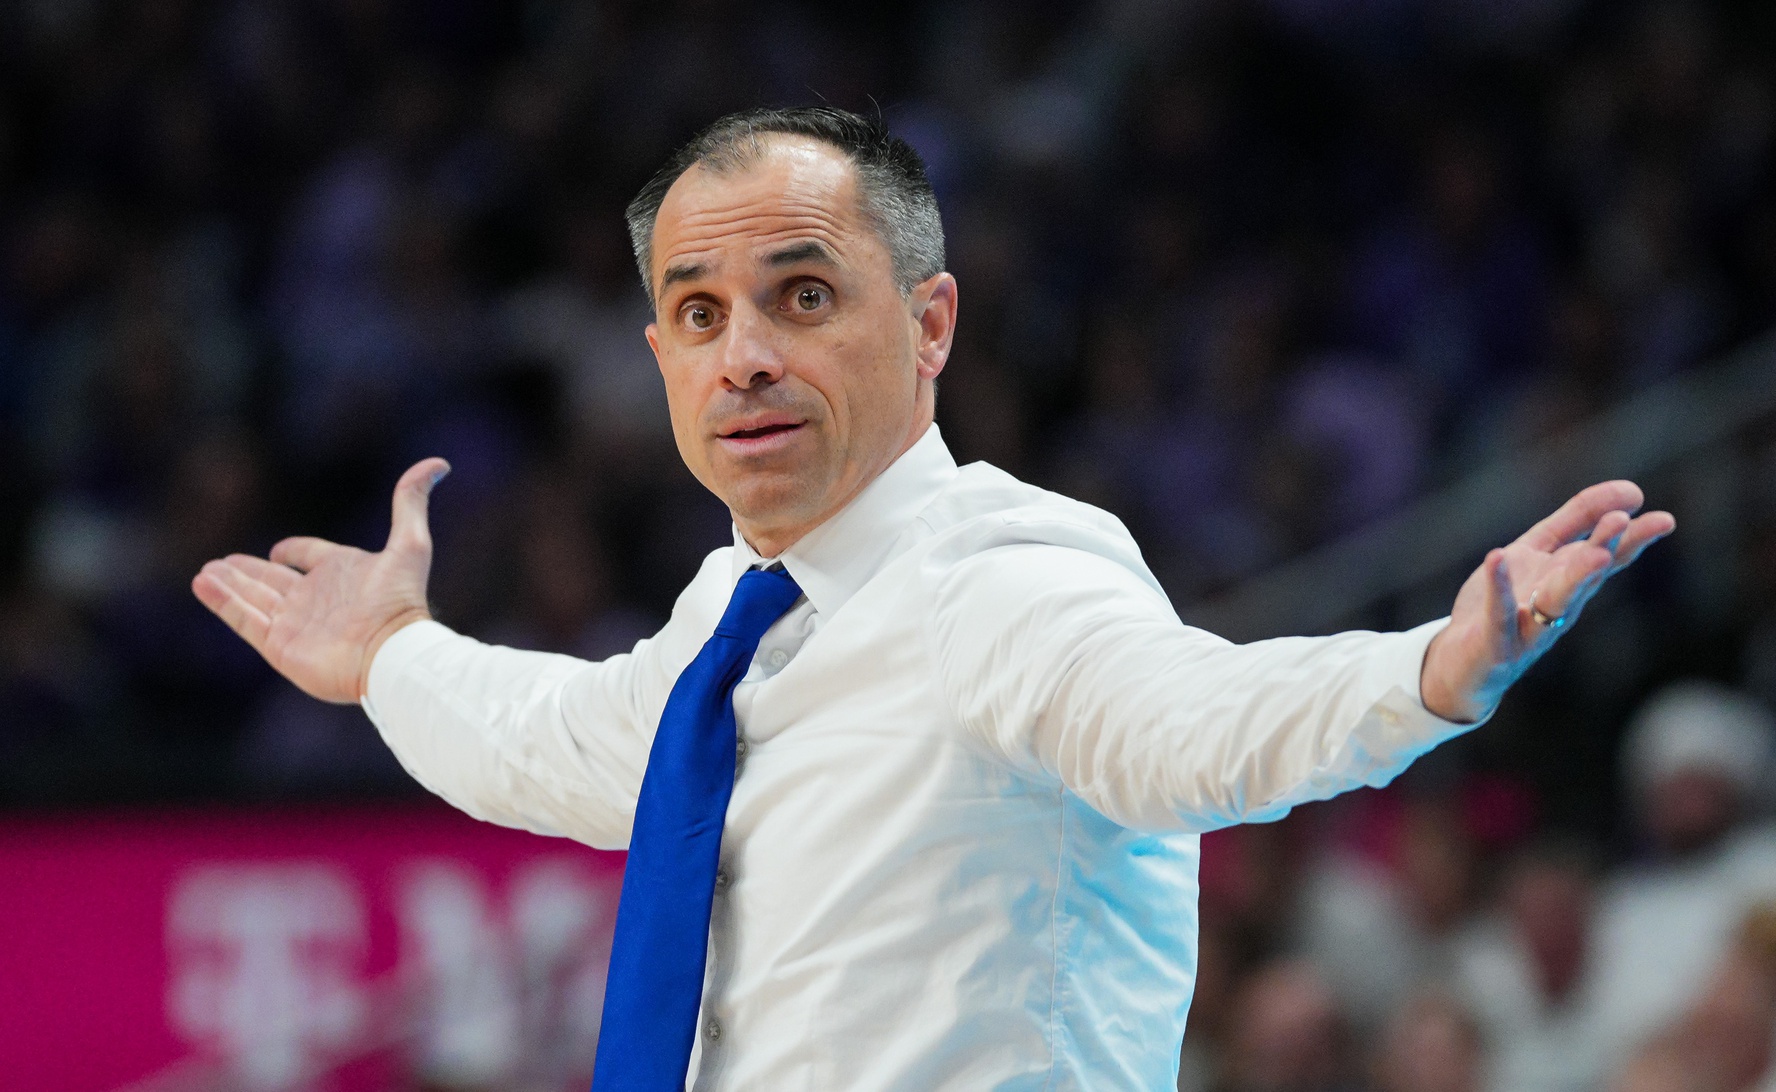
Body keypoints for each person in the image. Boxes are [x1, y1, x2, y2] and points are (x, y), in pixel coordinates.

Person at [190, 107, 1675, 1091]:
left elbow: (1192, 724)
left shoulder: (1003, 575)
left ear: (932, 319)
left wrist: (1429, 668)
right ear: (656, 358)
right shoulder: (729, 621)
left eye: (804, 295)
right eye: (700, 315)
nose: (746, 355)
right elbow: (553, 735)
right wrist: (390, 653)